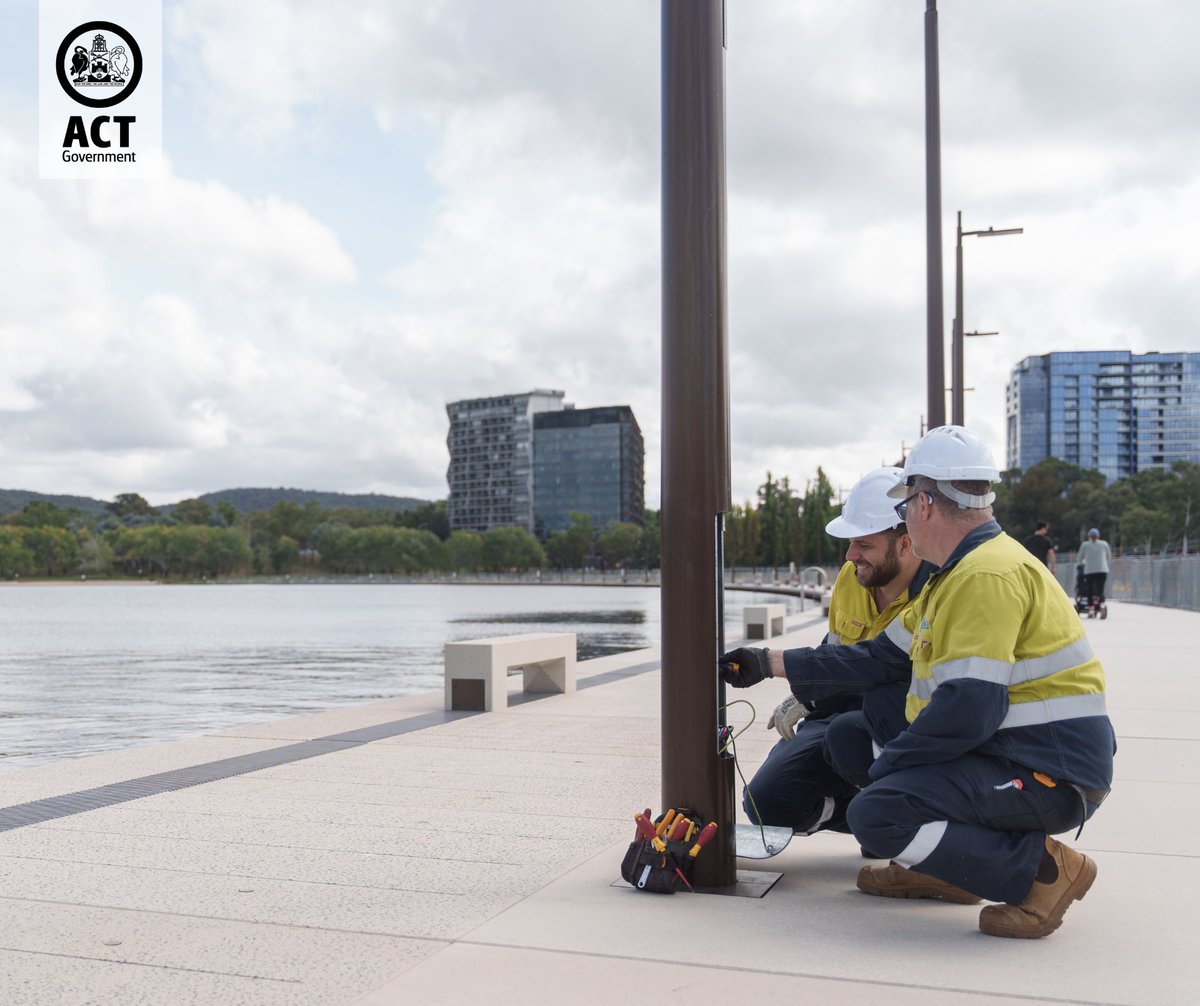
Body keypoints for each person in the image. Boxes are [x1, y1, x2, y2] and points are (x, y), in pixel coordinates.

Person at [720, 425, 1115, 939]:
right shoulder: (956, 573)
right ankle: (946, 870)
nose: (904, 515)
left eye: (905, 504)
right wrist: (768, 661)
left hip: (1049, 771)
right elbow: (878, 658)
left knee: (878, 813)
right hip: (1016, 751)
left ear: (925, 503)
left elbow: (971, 710)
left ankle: (1043, 873)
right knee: (855, 731)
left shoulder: (983, 576)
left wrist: (890, 767)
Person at [739, 468, 933, 837]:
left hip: (900, 719)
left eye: (864, 544)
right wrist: (810, 695)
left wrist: (780, 666)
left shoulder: (937, 592)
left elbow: (881, 663)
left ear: (905, 544)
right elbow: (837, 648)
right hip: (841, 710)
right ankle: (864, 814)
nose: (850, 554)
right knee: (767, 803)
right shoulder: (851, 577)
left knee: (849, 736)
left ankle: (898, 822)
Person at [1076, 528, 1111, 617]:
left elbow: (1079, 558)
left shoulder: (1085, 545)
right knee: (1100, 590)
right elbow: (1109, 557)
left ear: (1089, 536)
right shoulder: (1104, 544)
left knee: (1090, 590)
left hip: (1089, 571)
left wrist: (1081, 564)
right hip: (1102, 570)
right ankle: (1101, 605)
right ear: (1098, 536)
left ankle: (1091, 609)